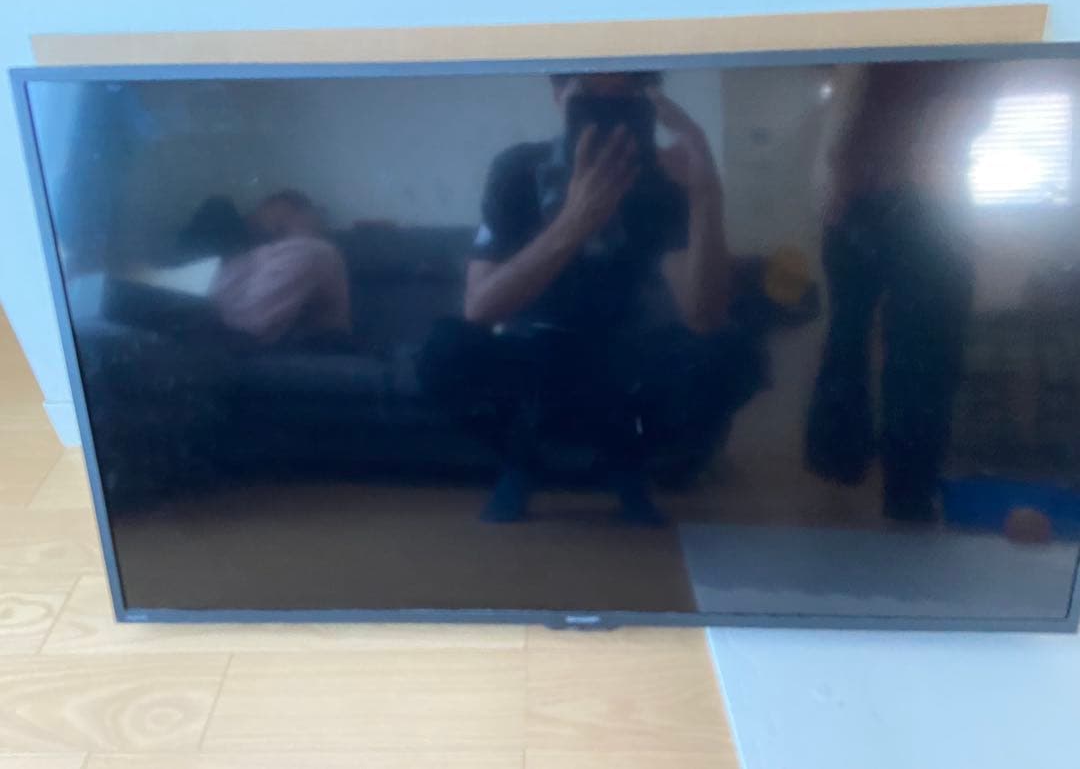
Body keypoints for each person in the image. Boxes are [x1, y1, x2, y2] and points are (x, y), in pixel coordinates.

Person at [421, 71, 756, 524]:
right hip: (532, 349)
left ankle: (626, 460)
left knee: (733, 354)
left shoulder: (660, 176)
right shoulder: (519, 170)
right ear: (558, 96)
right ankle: (523, 460)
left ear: (649, 105)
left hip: (623, 354)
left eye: (624, 100)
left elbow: (705, 315)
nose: (607, 113)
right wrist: (576, 219)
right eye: (590, 99)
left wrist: (705, 191)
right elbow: (479, 308)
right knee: (444, 351)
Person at [805, 62, 993, 522]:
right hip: (906, 203)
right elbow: (947, 131)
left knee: (856, 344)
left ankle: (849, 471)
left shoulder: (880, 67)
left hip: (864, 204)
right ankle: (903, 493)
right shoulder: (951, 58)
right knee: (917, 358)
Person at [184, 190, 352, 347]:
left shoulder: (314, 250)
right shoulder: (260, 253)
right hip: (251, 345)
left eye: (281, 222)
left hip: (309, 352)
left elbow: (251, 321)